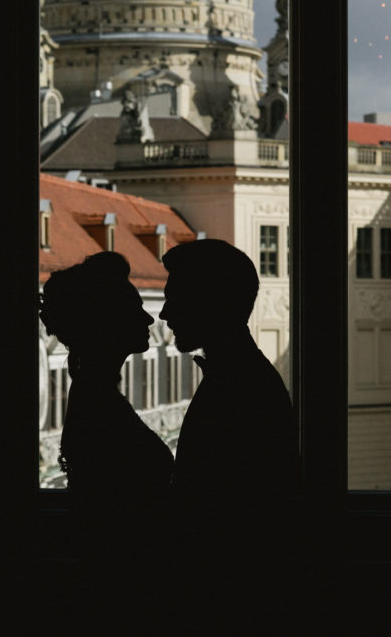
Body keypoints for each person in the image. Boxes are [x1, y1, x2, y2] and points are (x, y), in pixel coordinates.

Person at [159, 238, 299, 629]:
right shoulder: (246, 378)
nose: (165, 313)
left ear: (209, 302)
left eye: (175, 299)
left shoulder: (238, 388)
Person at [38, 251, 173, 628]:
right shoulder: (99, 405)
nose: (148, 317)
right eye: (134, 308)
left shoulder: (90, 394)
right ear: (104, 321)